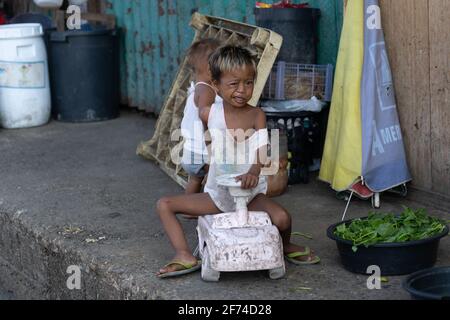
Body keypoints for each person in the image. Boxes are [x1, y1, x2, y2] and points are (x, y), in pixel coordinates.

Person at [156, 45, 320, 278]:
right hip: (217, 196)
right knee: (165, 204)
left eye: (248, 82)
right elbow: (206, 130)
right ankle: (184, 254)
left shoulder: (257, 115)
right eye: (233, 84)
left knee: (283, 219)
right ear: (217, 85)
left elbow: (263, 149)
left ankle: (285, 246)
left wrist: (254, 170)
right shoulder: (209, 113)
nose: (242, 90)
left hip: (251, 195)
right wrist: (210, 153)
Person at [180, 38, 222, 195]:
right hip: (202, 151)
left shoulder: (195, 89)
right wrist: (212, 147)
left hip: (190, 152)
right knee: (215, 180)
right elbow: (205, 118)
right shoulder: (207, 91)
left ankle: (188, 207)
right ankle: (208, 207)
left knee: (195, 180)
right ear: (211, 70)